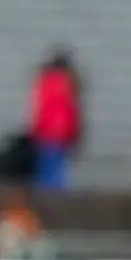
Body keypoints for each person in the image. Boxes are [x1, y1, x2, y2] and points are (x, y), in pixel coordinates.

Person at [27, 45, 82, 190]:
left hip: (45, 132)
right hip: (59, 132)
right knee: (55, 171)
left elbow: (38, 108)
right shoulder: (66, 82)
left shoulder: (43, 80)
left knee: (46, 170)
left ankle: (47, 198)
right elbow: (70, 111)